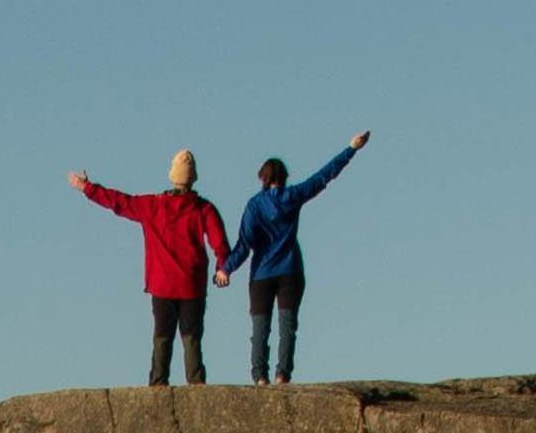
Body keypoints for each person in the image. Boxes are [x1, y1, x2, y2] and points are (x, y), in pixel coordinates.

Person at [70, 150, 236, 382]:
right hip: (192, 284)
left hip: (162, 283)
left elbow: (120, 202)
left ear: (172, 174)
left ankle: (158, 383)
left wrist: (88, 188)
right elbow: (220, 243)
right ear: (194, 177)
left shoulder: (153, 206)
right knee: (192, 338)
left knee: (162, 336)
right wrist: (223, 267)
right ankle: (196, 383)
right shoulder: (204, 209)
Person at [228, 134, 369, 379]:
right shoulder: (293, 196)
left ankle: (259, 377)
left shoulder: (255, 205)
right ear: (283, 177)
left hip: (261, 274)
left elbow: (245, 243)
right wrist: (351, 149)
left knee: (260, 329)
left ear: (263, 177)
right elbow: (324, 176)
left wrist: (225, 269)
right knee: (287, 327)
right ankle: (282, 375)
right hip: (290, 272)